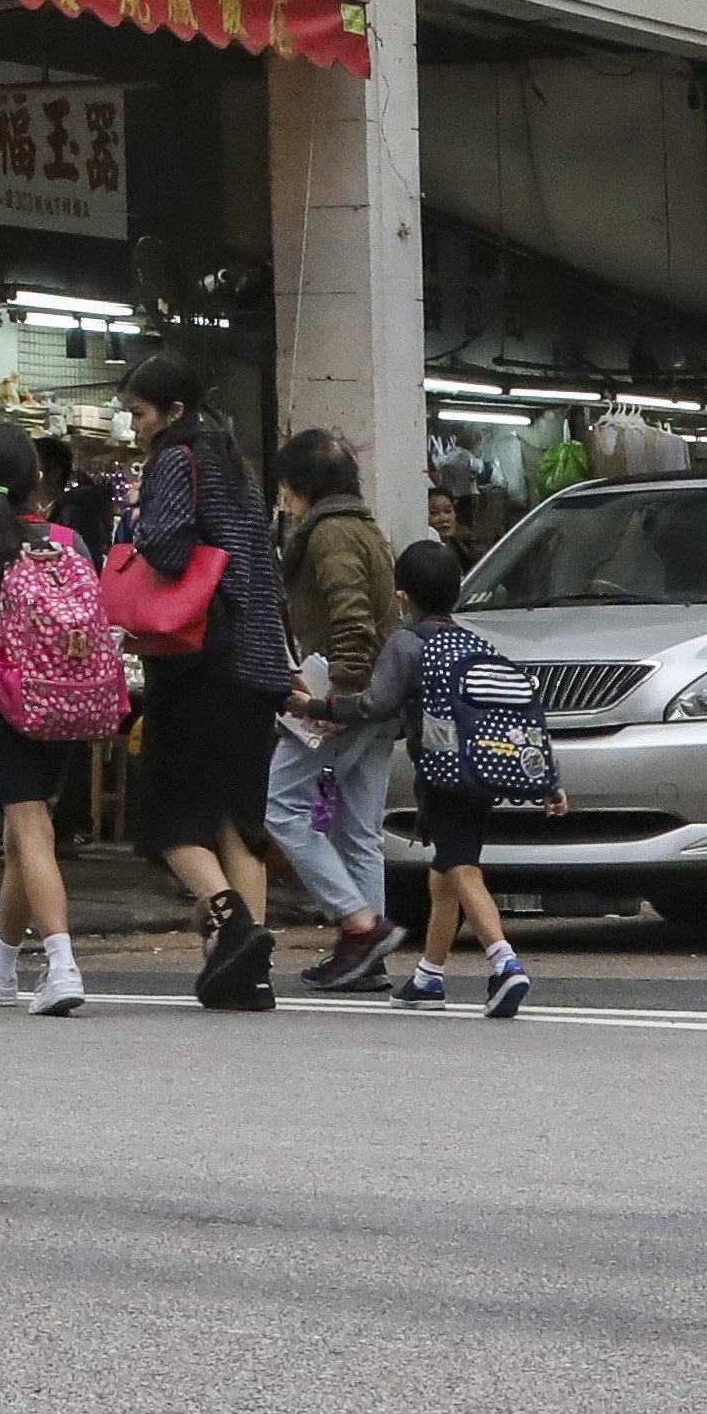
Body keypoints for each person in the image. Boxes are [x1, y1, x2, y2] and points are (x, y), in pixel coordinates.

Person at [117, 343, 293, 1007]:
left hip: (198, 663)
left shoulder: (174, 459)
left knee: (170, 820)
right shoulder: (230, 460)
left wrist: (134, 518)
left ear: (174, 412)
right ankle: (249, 975)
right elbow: (265, 570)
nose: (134, 427)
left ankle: (234, 925)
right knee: (238, 824)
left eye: (139, 414)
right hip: (255, 664)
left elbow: (166, 545)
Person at [0, 435, 102, 1015]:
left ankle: (62, 964)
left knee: (30, 832)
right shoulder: (68, 541)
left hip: (5, 701)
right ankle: (1, 968)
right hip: (65, 703)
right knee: (21, 838)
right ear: (38, 480)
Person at [340, 533, 529, 1019]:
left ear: (402, 597)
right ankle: (428, 977)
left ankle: (504, 963)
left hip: (442, 776)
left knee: (462, 871)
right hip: (479, 772)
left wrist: (321, 706)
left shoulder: (407, 643)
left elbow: (376, 703)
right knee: (443, 875)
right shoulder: (473, 642)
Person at [267, 423, 407, 997]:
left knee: (282, 808)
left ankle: (360, 924)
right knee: (357, 830)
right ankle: (364, 958)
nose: (282, 502)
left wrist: (333, 702)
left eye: (284, 489)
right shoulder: (367, 531)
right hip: (381, 700)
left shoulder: (329, 537)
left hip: (346, 696)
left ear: (302, 488)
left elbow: (353, 623)